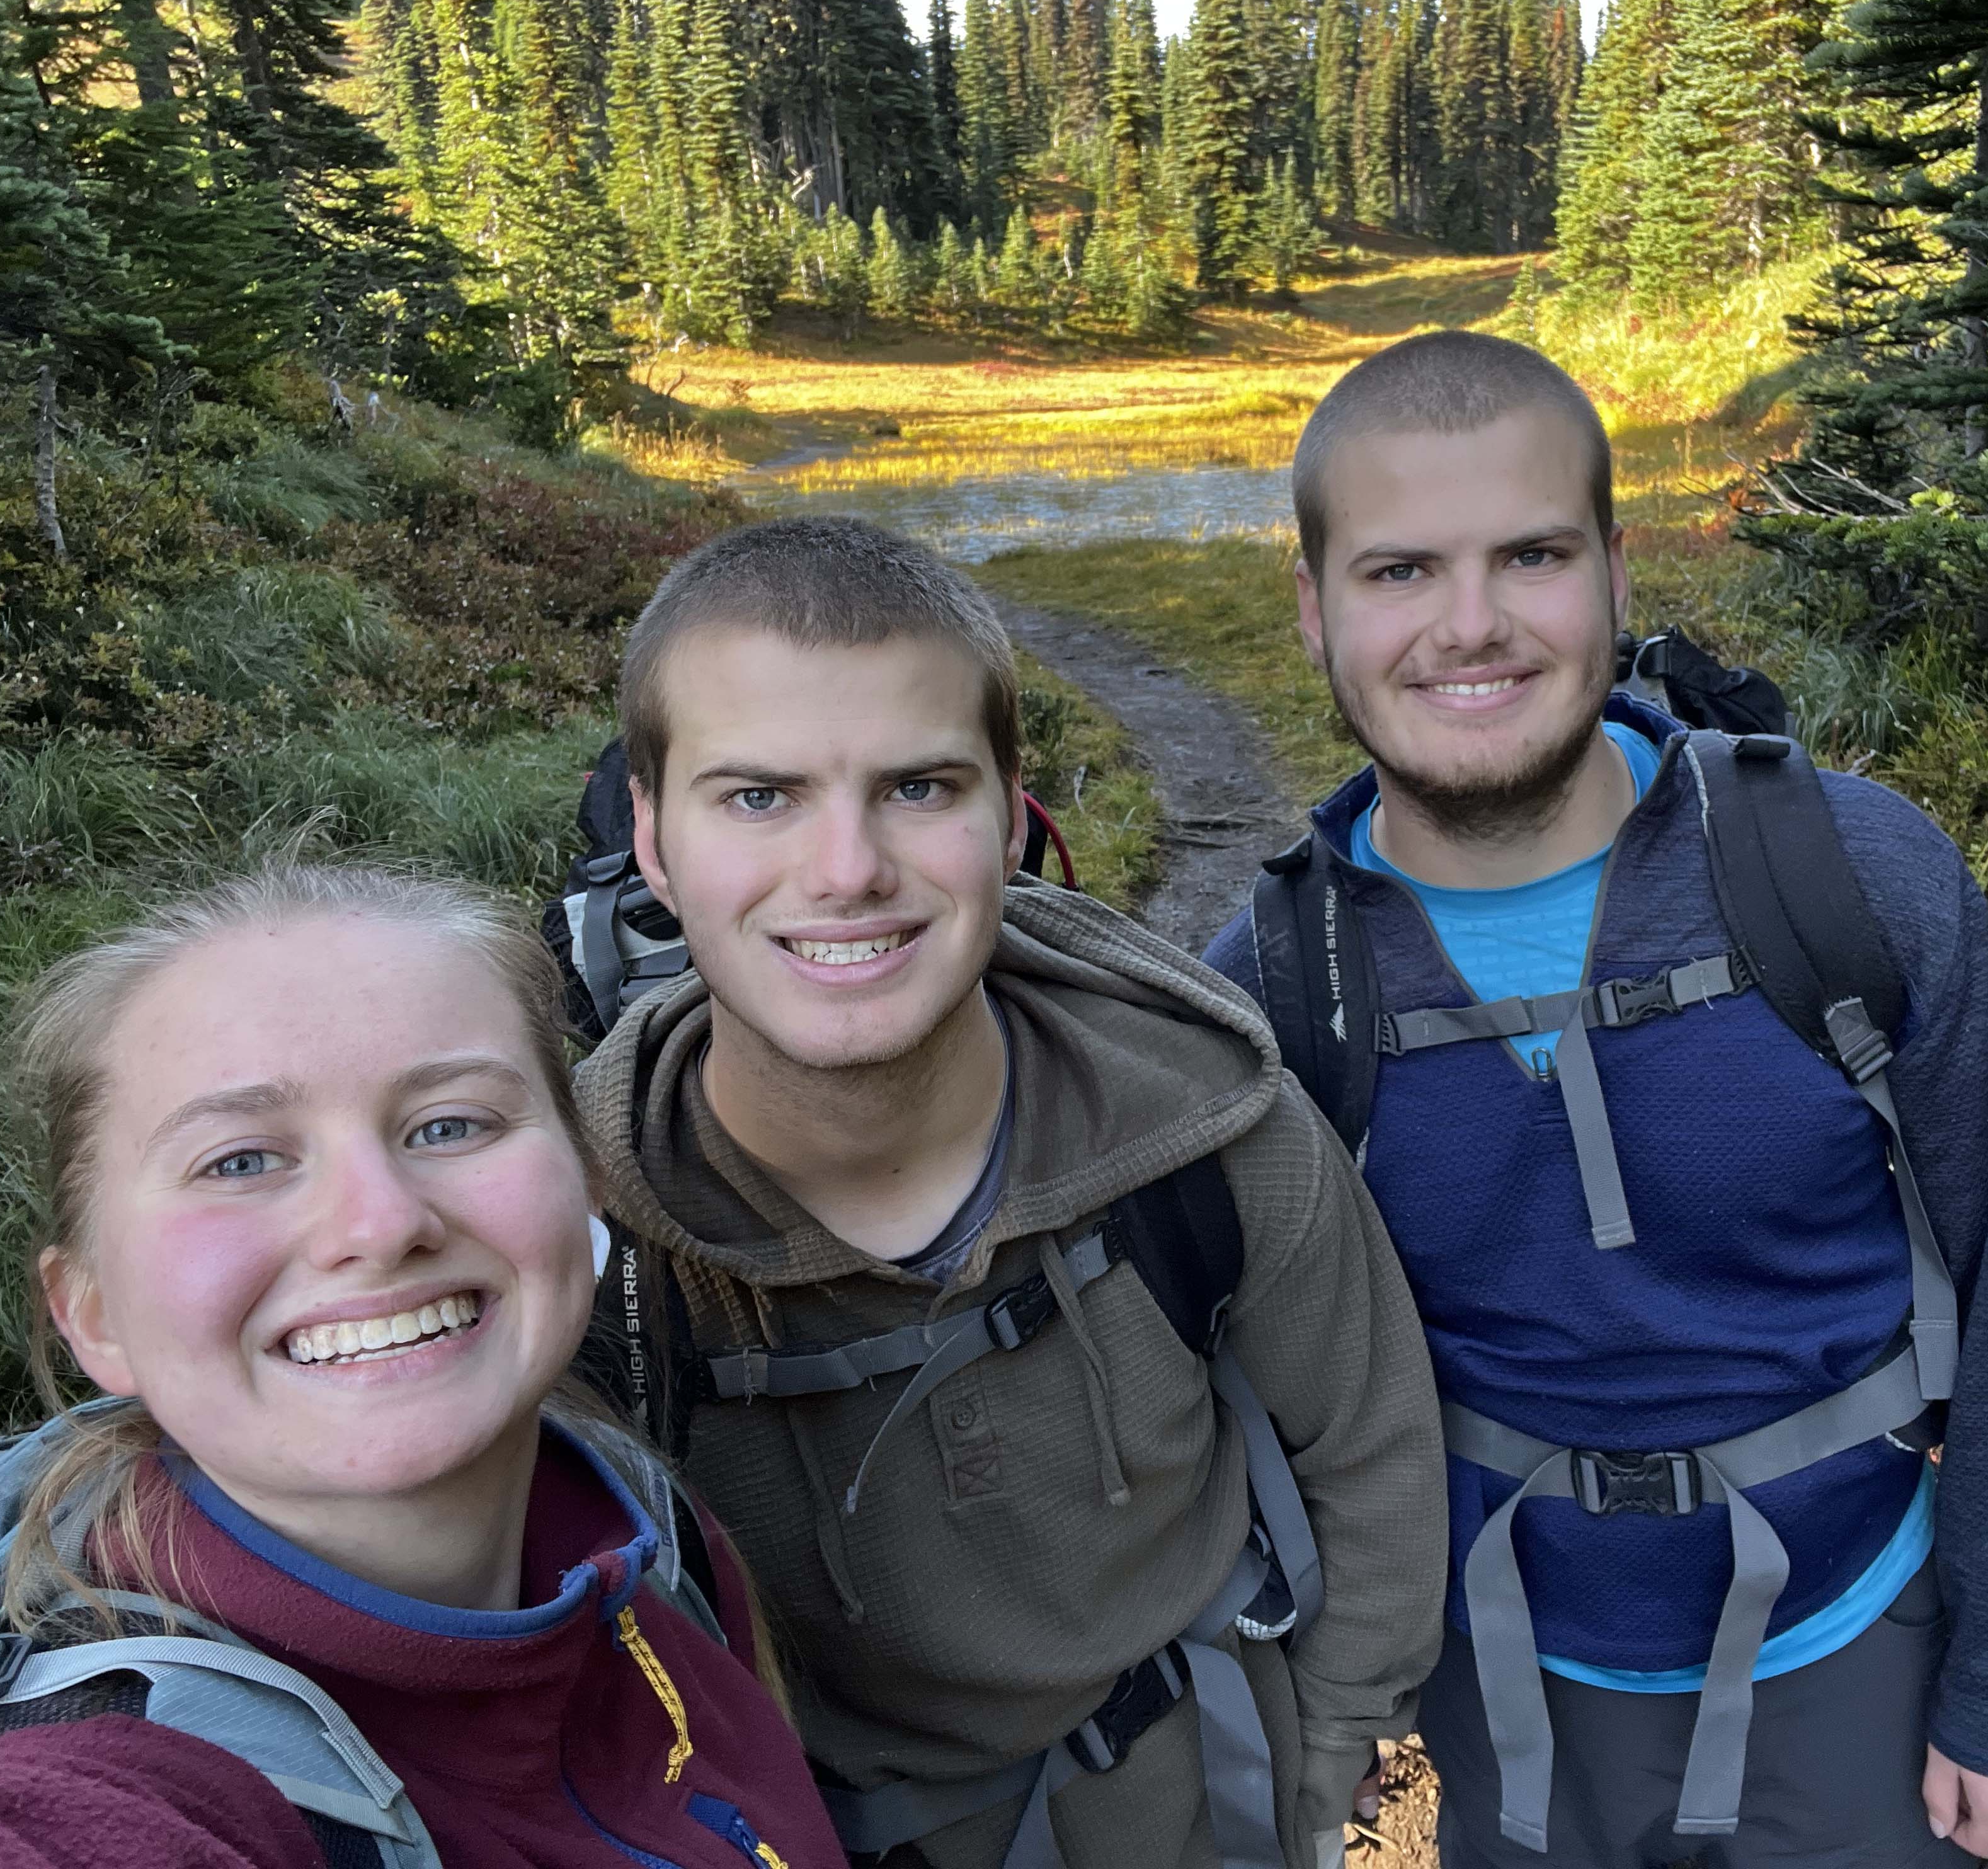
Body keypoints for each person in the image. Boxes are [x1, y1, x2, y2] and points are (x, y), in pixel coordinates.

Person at [1203, 331, 1988, 1868]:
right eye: (1400, 571)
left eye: (1531, 556)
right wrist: (1311, 1676)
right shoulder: (1276, 981)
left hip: (1859, 1627)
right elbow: (1249, 1381)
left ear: (1617, 577)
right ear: (1311, 612)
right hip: (1511, 1675)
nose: (1469, 628)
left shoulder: (1849, 879)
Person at [569, 515, 1446, 1869]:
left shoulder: (1210, 1129)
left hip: (1215, 1802)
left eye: (919, 788)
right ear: (652, 837)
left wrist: (1374, 1833)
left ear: (1009, 808)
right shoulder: (576, 1251)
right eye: (760, 797)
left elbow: (1375, 1468)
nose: (849, 869)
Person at [0, 860, 846, 1869]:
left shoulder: (644, 1526)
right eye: (241, 1160)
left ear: (589, 1184)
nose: (382, 1223)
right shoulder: (106, 1775)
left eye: (451, 1125)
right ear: (92, 1315)